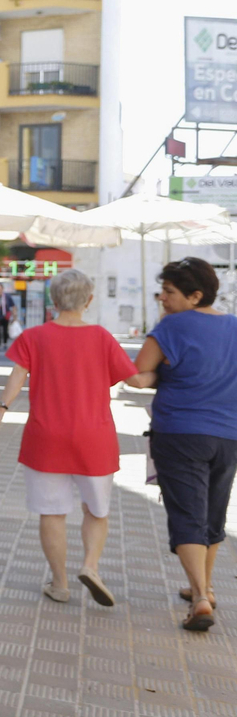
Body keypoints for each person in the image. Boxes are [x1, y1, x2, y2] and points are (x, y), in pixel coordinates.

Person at [0, 269, 135, 607]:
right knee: (96, 510)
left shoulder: (33, 337)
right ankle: (91, 567)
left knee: (52, 512)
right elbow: (133, 379)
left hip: (45, 437)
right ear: (89, 301)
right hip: (94, 437)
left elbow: (16, 378)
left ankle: (60, 583)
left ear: (53, 301)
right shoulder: (102, 337)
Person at [126, 257, 237, 632]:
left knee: (187, 515)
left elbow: (138, 375)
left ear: (194, 295)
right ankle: (202, 588)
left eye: (169, 292)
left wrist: (155, 376)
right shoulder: (235, 326)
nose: (162, 298)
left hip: (180, 432)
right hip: (228, 435)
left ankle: (201, 597)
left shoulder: (171, 326)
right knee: (212, 514)